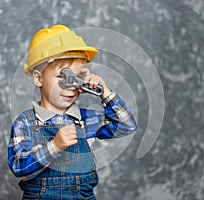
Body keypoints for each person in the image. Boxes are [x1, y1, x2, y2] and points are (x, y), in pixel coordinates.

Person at [8, 24, 137, 200]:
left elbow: (126, 125)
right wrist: (54, 146)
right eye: (63, 76)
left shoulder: (87, 119)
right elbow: (19, 166)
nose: (71, 86)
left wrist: (105, 92)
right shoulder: (26, 123)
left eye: (77, 78)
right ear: (38, 78)